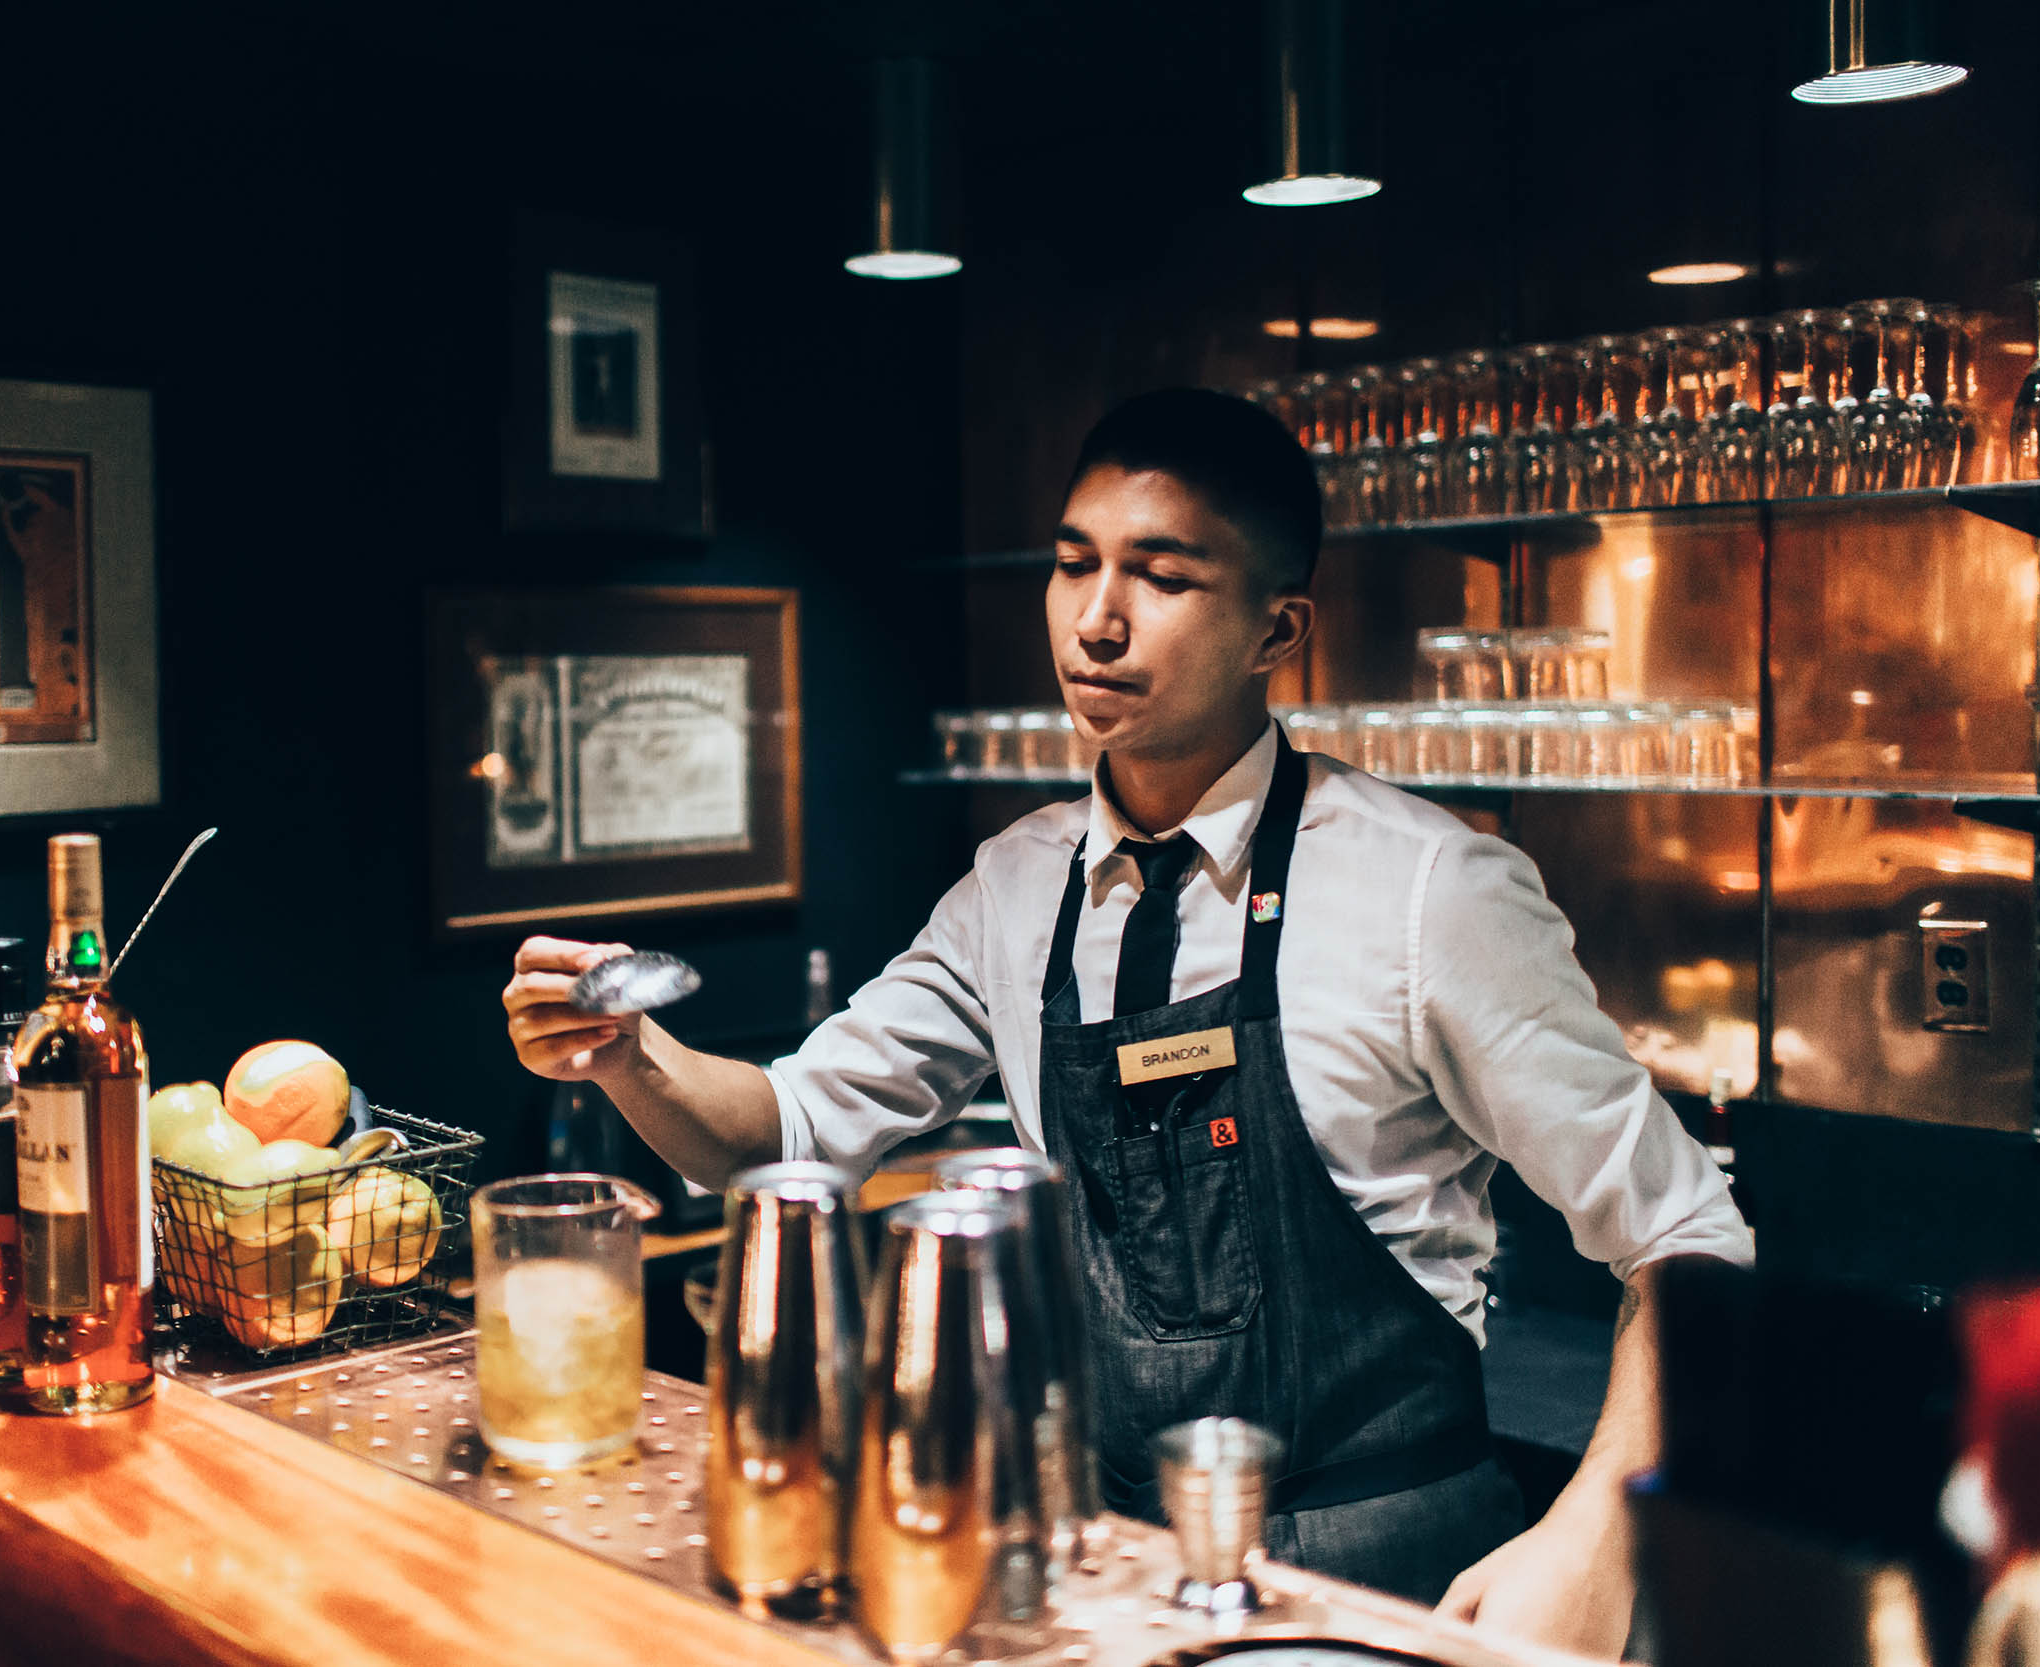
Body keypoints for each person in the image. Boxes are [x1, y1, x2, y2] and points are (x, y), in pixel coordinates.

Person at [500, 388, 1749, 1653]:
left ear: (1279, 625)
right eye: (1071, 564)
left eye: (1159, 576)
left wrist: (1597, 1526)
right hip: (1109, 1575)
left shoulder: (1432, 888)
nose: (1096, 618)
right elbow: (787, 1132)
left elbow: (1687, 1236)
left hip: (1381, 1577)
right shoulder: (1014, 886)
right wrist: (629, 1056)